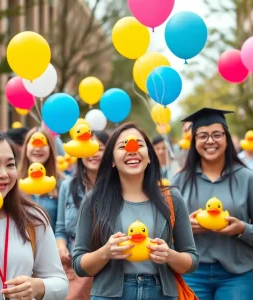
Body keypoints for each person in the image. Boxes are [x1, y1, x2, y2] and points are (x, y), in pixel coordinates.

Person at [72, 123, 199, 300]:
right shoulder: (93, 200)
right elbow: (79, 265)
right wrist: (105, 252)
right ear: (112, 160)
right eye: (123, 146)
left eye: (139, 145)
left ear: (149, 157)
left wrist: (169, 255)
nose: (132, 150)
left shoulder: (172, 198)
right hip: (110, 295)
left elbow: (192, 261)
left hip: (161, 294)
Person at [0, 126, 68, 300]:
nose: (3, 174)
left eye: (10, 165)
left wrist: (37, 287)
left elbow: (61, 284)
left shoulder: (33, 217)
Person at [172, 108, 253, 300]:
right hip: (191, 273)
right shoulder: (179, 181)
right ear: (194, 141)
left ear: (227, 138)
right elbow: (164, 232)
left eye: (217, 134)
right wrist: (183, 229)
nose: (210, 141)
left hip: (236, 275)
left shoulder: (247, 179)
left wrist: (242, 229)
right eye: (202, 136)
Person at [56, 130, 109, 300]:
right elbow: (61, 229)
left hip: (110, 269)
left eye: (99, 148)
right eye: (87, 148)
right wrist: (61, 246)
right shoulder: (67, 186)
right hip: (77, 268)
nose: (93, 153)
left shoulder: (119, 187)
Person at [18, 127, 64, 232]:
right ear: (26, 147)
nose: (38, 148)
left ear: (50, 148)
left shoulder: (62, 183)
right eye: (33, 143)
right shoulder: (14, 182)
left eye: (43, 144)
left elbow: (62, 228)